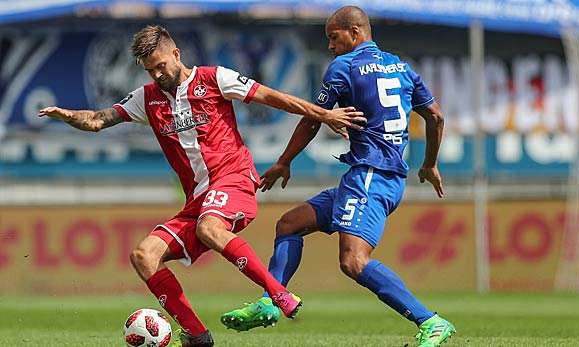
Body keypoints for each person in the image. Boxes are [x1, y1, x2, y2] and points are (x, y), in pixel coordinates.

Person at [38, 25, 365, 347]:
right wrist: (66, 115)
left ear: (176, 54)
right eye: (149, 70)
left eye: (160, 66)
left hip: (234, 182)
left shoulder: (214, 79)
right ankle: (197, 335)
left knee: (210, 227)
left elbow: (272, 98)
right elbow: (98, 120)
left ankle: (277, 293)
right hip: (197, 201)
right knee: (144, 255)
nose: (156, 76)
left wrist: (323, 114)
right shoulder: (147, 99)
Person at [220, 6, 456, 347]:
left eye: (334, 37)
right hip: (378, 178)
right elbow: (435, 116)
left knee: (353, 261)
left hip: (370, 177)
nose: (330, 45)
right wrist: (430, 163)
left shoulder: (344, 67)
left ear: (355, 33)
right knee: (290, 224)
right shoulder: (401, 67)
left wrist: (284, 161)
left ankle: (431, 322)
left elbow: (313, 118)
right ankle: (272, 300)